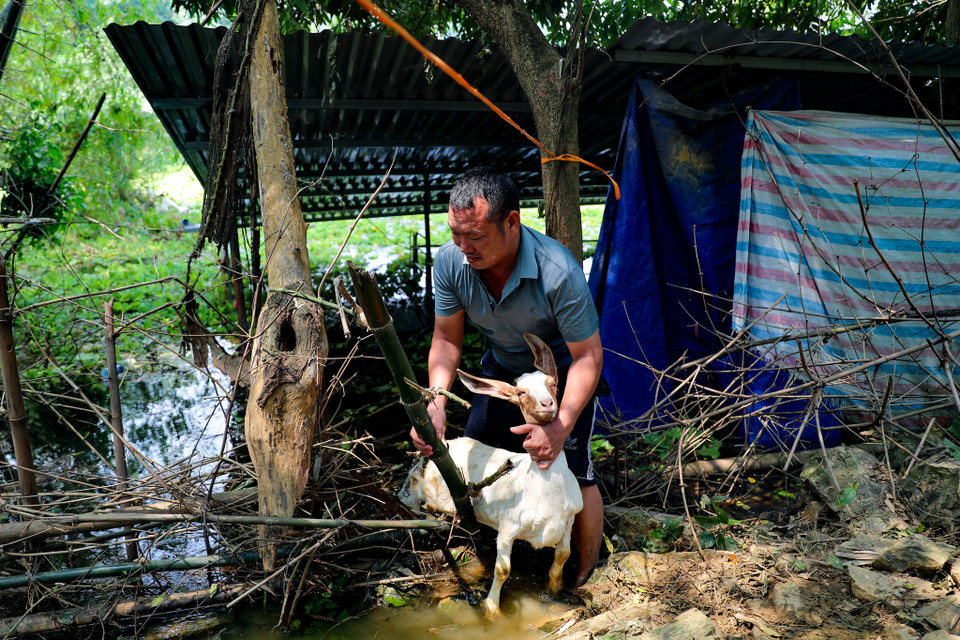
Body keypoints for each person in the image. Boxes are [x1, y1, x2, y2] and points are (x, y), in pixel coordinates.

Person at [410, 166, 604, 587]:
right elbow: (445, 340)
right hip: (502, 372)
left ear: (512, 222)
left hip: (559, 376)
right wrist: (435, 401)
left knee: (576, 471)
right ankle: (486, 559)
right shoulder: (451, 262)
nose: (463, 248)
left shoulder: (558, 270)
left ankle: (584, 577)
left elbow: (588, 355)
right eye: (456, 234)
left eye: (475, 237)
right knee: (481, 458)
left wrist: (561, 424)